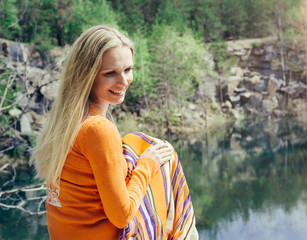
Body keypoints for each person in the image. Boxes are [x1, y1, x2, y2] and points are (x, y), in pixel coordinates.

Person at [30, 25, 198, 240]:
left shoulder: (63, 122)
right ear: (86, 75)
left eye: (128, 70)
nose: (124, 81)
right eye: (110, 73)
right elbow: (122, 216)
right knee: (159, 154)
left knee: (133, 143)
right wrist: (148, 163)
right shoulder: (98, 129)